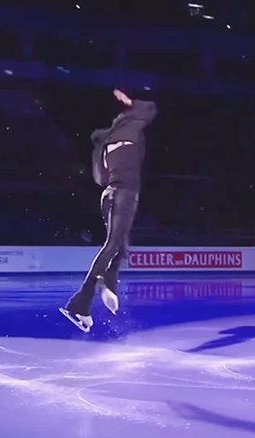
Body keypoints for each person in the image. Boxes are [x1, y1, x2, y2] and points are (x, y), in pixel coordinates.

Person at [60, 89, 158, 332]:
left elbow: (100, 179)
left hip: (109, 194)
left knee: (121, 246)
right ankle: (81, 301)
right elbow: (150, 109)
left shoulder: (105, 146)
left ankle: (108, 282)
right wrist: (131, 103)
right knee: (114, 245)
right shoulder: (132, 132)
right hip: (125, 194)